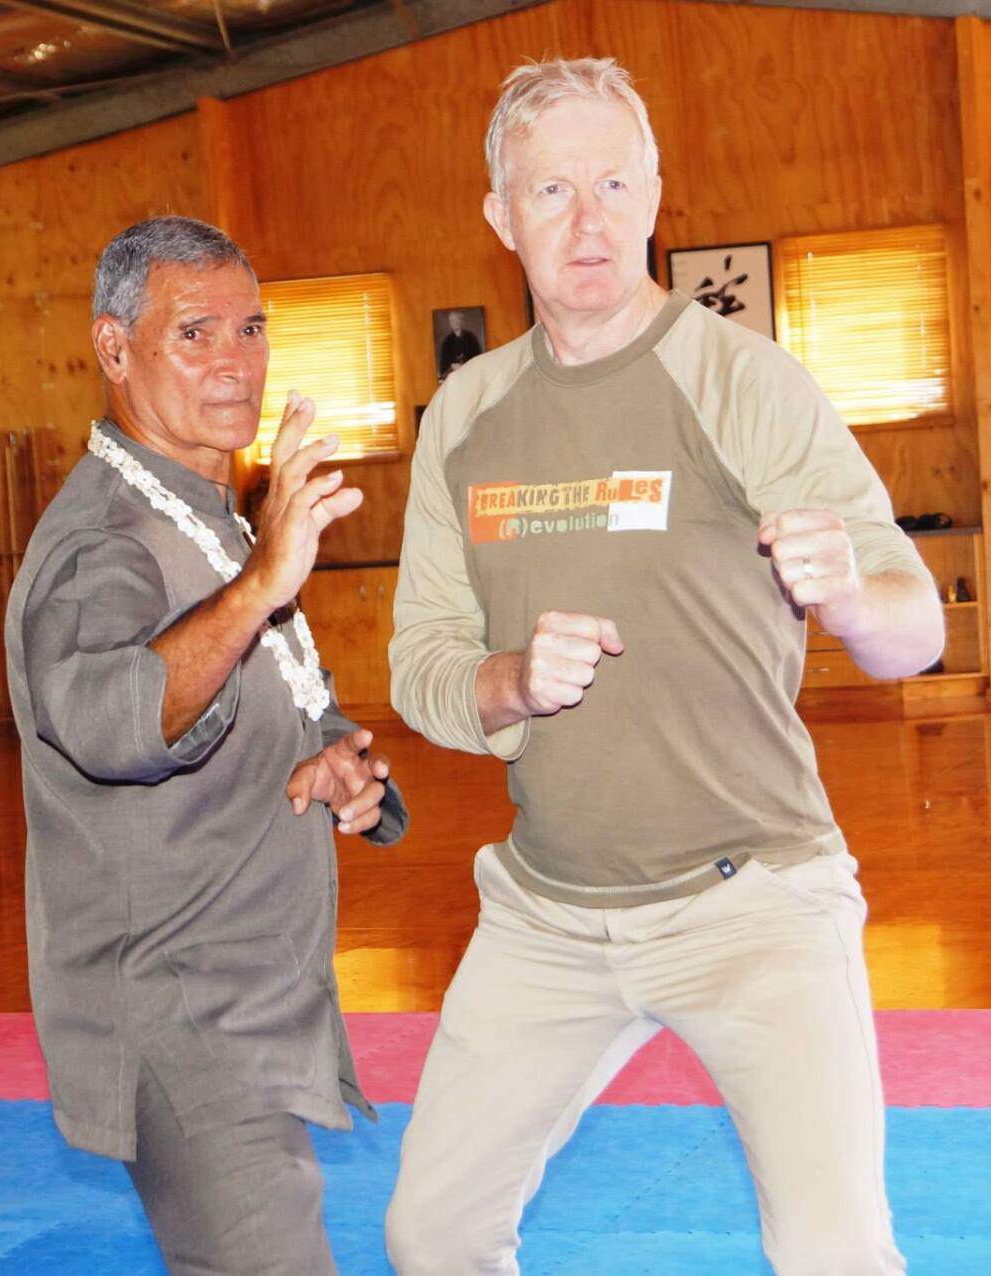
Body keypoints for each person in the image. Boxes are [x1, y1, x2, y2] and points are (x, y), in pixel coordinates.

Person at [385, 57, 939, 1276]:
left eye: (614, 185)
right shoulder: (464, 419)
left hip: (756, 904)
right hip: (547, 912)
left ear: (654, 196)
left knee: (839, 1254)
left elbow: (918, 631)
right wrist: (512, 682)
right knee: (430, 1235)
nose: (587, 222)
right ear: (499, 216)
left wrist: (844, 587)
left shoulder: (743, 380)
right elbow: (422, 667)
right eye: (550, 193)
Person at [3, 215, 407, 1276]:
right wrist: (266, 581)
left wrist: (329, 755)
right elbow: (107, 717)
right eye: (196, 334)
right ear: (113, 348)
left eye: (252, 328)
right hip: (178, 1008)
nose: (236, 363)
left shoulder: (208, 514)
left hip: (244, 989)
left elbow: (258, 679)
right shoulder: (104, 542)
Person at [438, 309, 485, 379]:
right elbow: (444, 364)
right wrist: (452, 365)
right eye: (452, 321)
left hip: (470, 373)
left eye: (457, 320)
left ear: (461, 321)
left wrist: (464, 366)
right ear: (450, 323)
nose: (455, 322)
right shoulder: (446, 341)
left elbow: (477, 358)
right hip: (453, 376)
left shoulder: (471, 338)